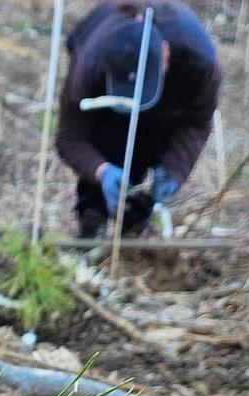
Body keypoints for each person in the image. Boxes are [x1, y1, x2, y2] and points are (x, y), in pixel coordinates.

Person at [55, 0, 221, 238]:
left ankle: (136, 218)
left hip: (166, 110)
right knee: (111, 134)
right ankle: (93, 217)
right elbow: (70, 136)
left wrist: (175, 170)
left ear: (165, 54)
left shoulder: (199, 63)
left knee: (151, 133)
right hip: (108, 116)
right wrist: (101, 172)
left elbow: (197, 123)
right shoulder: (89, 63)